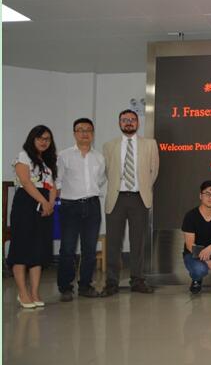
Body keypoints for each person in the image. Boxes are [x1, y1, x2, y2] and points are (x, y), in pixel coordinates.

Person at [102, 109, 159, 296]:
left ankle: (137, 280)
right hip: (116, 199)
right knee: (113, 243)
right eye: (124, 120)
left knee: (138, 242)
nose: (128, 122)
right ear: (119, 123)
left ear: (137, 123)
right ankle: (111, 282)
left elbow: (153, 171)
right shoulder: (109, 146)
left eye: (132, 119)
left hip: (139, 198)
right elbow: (107, 171)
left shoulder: (150, 144)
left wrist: (142, 188)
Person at [56, 118, 106, 301]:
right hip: (70, 206)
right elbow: (58, 180)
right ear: (74, 133)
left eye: (88, 130)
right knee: (68, 248)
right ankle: (65, 287)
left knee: (89, 249)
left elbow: (100, 180)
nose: (85, 133)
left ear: (93, 134)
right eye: (80, 130)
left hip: (92, 205)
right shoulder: (64, 155)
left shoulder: (99, 157)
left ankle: (85, 285)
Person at [8, 125, 57, 308]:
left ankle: (35, 292)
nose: (44, 142)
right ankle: (23, 293)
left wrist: (50, 204)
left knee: (38, 249)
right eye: (40, 138)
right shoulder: (23, 156)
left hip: (44, 205)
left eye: (47, 139)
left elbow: (52, 186)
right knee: (22, 248)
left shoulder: (48, 161)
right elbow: (26, 182)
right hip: (26, 204)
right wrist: (43, 202)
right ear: (32, 139)